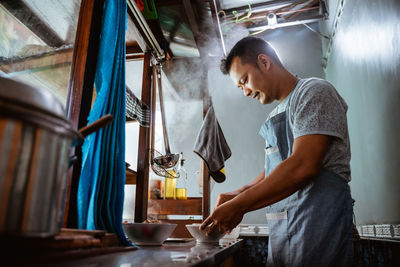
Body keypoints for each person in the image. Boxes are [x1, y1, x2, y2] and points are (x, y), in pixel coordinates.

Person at [200, 36, 354, 266]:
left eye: (245, 80)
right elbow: (278, 168)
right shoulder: (276, 115)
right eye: (240, 87)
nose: (246, 92)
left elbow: (302, 165)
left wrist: (240, 205)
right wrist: (239, 193)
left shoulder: (313, 92)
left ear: (264, 62)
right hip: (285, 235)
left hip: (319, 229)